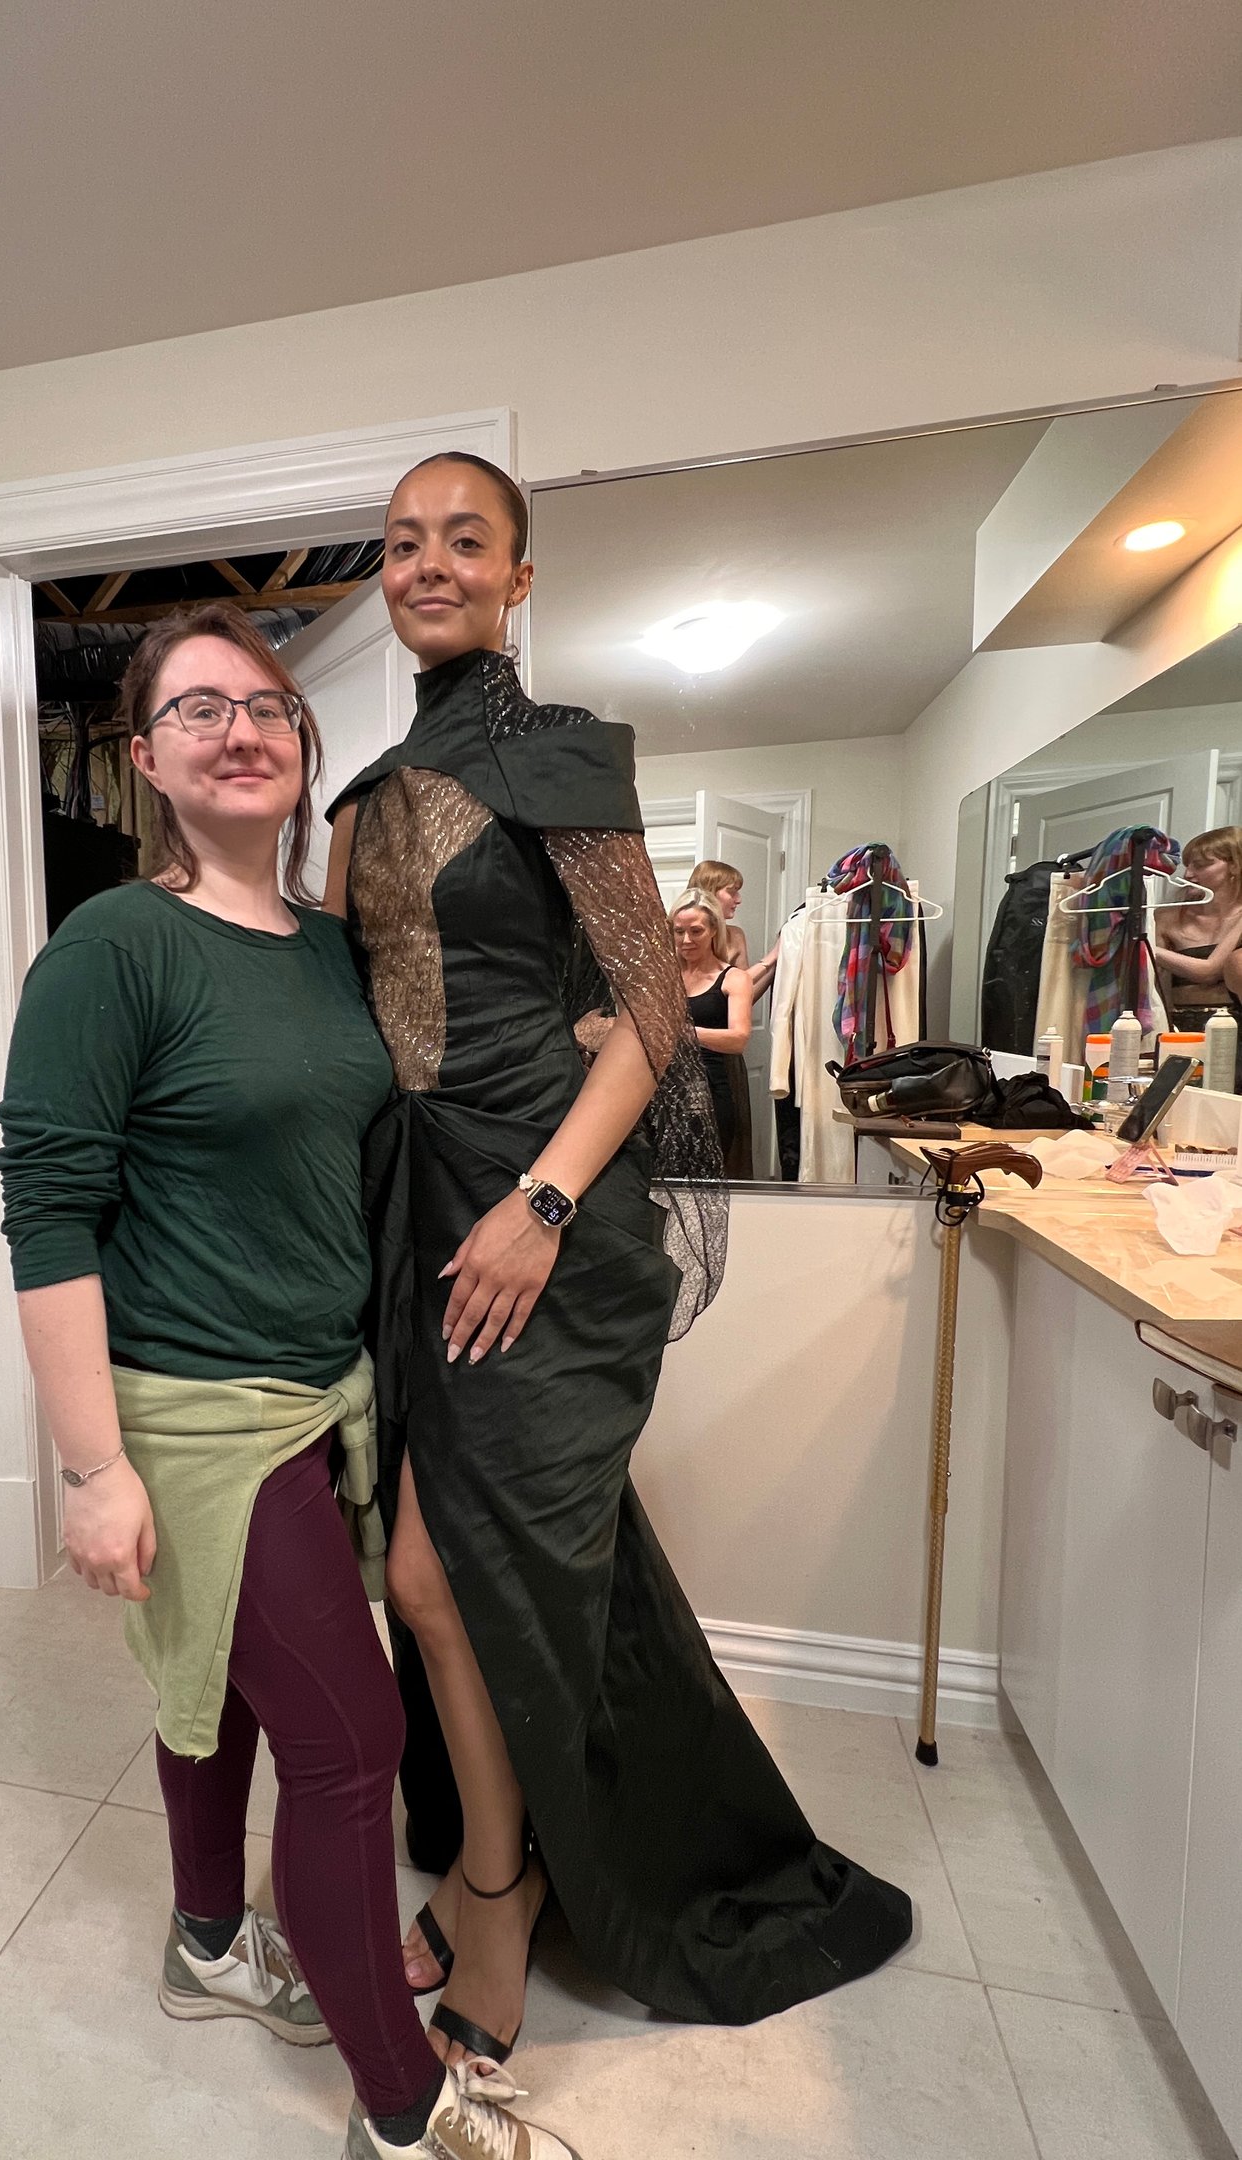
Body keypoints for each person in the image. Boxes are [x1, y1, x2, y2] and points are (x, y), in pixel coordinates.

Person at [325, 453, 912, 2074]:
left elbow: (653, 1010)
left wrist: (544, 1205)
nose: (430, 565)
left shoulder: (562, 759)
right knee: (434, 1581)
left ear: (520, 578)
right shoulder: (363, 796)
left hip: (544, 1229)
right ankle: (498, 1863)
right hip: (417, 1220)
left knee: (455, 1580)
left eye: (467, 541)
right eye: (403, 543)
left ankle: (498, 1896)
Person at [0, 603, 579, 2160]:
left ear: (302, 743)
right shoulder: (113, 947)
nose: (241, 730)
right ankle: (406, 2110)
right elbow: (48, 1210)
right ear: (144, 762)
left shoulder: (334, 954)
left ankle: (207, 1942)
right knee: (350, 1745)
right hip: (195, 1414)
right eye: (199, 710)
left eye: (266, 706)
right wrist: (92, 1470)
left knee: (226, 1698)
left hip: (325, 1391)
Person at [672, 890, 754, 1178]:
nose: (686, 940)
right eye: (679, 931)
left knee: (706, 1176)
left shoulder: (734, 978)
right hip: (663, 1092)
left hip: (711, 1092)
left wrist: (683, 1033)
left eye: (696, 931)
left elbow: (738, 1039)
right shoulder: (666, 977)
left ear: (713, 930)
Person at [1155, 825, 1242, 1023]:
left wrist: (1147, 949)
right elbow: (1155, 991)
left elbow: (1209, 971)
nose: (1188, 875)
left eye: (1200, 865)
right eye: (1187, 865)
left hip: (1231, 1027)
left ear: (1235, 866)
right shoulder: (1166, 918)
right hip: (1178, 1027)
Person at [686, 857, 779, 1002]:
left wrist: (776, 962)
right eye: (731, 892)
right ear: (710, 892)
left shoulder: (735, 936)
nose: (738, 899)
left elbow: (746, 995)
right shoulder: (682, 938)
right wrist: (771, 958)